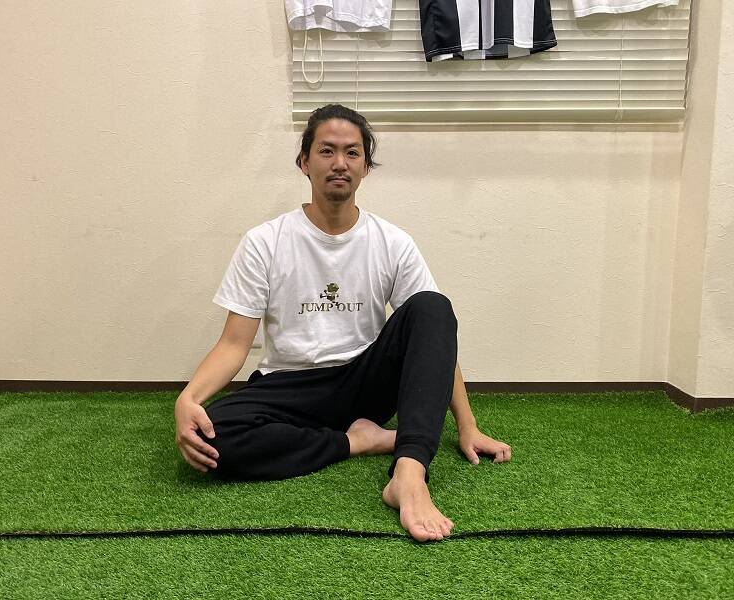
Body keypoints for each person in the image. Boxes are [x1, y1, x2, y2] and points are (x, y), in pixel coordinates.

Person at [174, 104, 512, 543]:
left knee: (433, 306)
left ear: (365, 167)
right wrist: (188, 398)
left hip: (362, 383)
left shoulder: (392, 242)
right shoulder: (264, 242)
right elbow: (233, 345)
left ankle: (409, 474)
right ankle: (361, 441)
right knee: (212, 440)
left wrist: (467, 425)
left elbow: (433, 341)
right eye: (326, 151)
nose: (339, 163)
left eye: (352, 153)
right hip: (289, 386)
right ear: (304, 162)